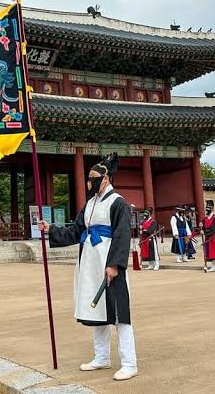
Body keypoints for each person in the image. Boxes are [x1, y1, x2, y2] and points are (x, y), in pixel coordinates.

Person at [38, 153, 138, 381]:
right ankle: (102, 357)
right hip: (90, 263)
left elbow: (122, 236)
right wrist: (50, 229)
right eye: (88, 177)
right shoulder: (90, 204)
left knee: (119, 311)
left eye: (93, 177)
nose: (89, 181)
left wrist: (114, 265)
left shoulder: (118, 203)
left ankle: (130, 362)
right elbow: (75, 230)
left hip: (109, 262)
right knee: (98, 311)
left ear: (106, 179)